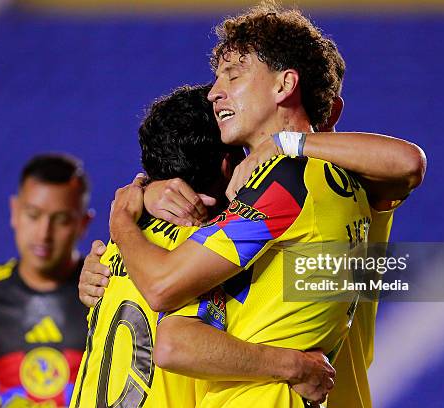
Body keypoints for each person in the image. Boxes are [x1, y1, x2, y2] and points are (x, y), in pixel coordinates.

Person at [103, 4, 425, 408]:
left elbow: (165, 294)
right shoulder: (267, 187)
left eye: (233, 75)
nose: (214, 91)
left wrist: (123, 224)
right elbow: (177, 340)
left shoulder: (290, 181)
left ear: (283, 85)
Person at [70, 85, 336, 408]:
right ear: (228, 165)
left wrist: (139, 196)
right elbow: (174, 344)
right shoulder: (203, 251)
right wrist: (294, 367)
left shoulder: (119, 245)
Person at [0, 153, 93, 407]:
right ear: (14, 211)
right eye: (33, 215)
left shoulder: (106, 293)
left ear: (83, 224)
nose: (44, 234)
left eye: (61, 220)